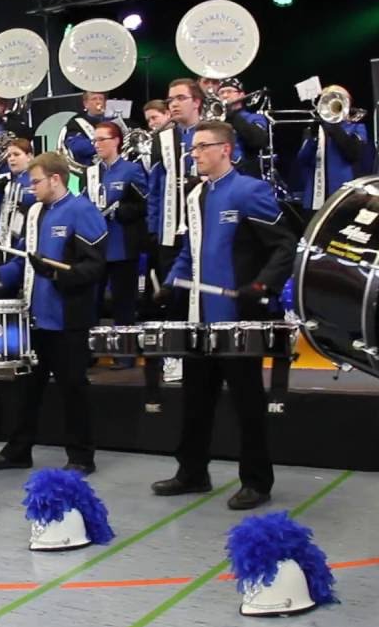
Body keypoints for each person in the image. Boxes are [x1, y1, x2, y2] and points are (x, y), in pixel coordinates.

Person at [151, 120, 296, 510]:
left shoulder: (250, 191)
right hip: (200, 320)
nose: (193, 154)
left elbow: (285, 246)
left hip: (237, 320)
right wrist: (170, 282)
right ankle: (192, 472)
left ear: (225, 150)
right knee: (195, 399)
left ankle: (257, 481)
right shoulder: (195, 196)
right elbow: (189, 251)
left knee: (247, 403)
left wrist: (262, 286)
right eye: (192, 148)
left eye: (201, 147)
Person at [0, 152, 107, 474]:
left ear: (56, 179)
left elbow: (94, 267)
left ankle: (81, 457)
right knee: (26, 391)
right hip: (35, 318)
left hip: (68, 320)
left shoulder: (83, 211)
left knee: (73, 390)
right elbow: (25, 260)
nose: (30, 187)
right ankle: (18, 451)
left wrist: (55, 275)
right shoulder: (35, 212)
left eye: (35, 181)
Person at [142, 79, 204, 404]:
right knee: (172, 292)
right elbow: (155, 186)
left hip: (205, 228)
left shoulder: (211, 131)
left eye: (180, 98)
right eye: (170, 100)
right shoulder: (161, 139)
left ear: (197, 101)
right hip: (169, 229)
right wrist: (154, 227)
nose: (174, 105)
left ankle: (206, 351)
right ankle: (175, 355)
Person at [85, 121, 149, 370]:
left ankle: (125, 354)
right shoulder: (92, 172)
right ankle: (90, 352)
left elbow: (144, 204)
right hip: (95, 247)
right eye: (95, 140)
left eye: (102, 139)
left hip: (122, 246)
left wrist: (121, 211)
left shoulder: (131, 170)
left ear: (116, 141)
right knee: (92, 302)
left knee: (124, 304)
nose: (97, 144)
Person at [295, 91, 368, 214]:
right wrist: (313, 136)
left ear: (347, 104)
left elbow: (353, 154)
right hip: (315, 198)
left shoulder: (357, 127)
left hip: (344, 197)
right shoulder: (314, 129)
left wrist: (333, 126)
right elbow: (303, 159)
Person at [0, 138, 37, 249]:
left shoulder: (36, 180)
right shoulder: (7, 182)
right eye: (9, 156)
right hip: (6, 239)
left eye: (16, 154)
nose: (11, 159)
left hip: (29, 238)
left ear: (29, 156)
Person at [216, 78, 269, 177]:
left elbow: (258, 141)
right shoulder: (215, 121)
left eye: (229, 91)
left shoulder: (254, 118)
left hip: (245, 174)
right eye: (221, 93)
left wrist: (233, 116)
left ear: (241, 95)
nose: (225, 96)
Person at [61, 91, 110, 168]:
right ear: (86, 104)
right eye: (94, 99)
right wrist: (106, 142)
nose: (98, 102)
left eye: (101, 99)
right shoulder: (76, 123)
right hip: (90, 169)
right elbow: (77, 147)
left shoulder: (112, 121)